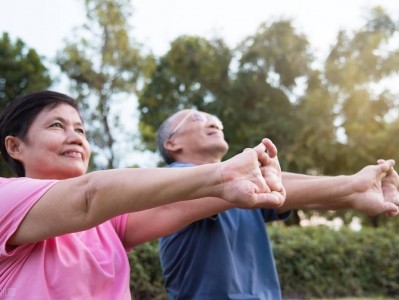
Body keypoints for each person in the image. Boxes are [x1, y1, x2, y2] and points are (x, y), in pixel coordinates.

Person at [0, 91, 287, 299]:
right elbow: (87, 196)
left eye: (80, 130)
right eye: (56, 126)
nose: (76, 137)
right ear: (15, 146)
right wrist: (222, 174)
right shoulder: (5, 196)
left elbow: (168, 208)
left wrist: (244, 182)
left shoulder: (107, 222)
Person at [157, 108, 399, 300]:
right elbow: (260, 184)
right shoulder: (174, 180)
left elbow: (301, 193)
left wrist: (358, 193)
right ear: (172, 143)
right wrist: (352, 186)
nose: (212, 123)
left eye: (215, 119)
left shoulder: (244, 189)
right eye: (197, 118)